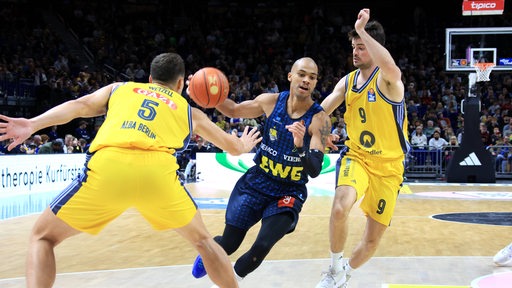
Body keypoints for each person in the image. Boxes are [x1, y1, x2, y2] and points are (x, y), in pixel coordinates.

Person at [0, 52, 263, 288]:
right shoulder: (190, 111)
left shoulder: (120, 88)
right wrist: (244, 143)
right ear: (181, 84)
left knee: (42, 237)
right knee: (204, 241)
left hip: (110, 166)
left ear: (149, 78)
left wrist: (33, 123)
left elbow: (78, 107)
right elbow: (233, 147)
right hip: (157, 174)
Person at [190, 57, 331, 286]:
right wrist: (207, 96)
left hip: (289, 192)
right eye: (302, 74)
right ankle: (212, 251)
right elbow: (233, 109)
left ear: (315, 83)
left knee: (261, 247)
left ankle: (231, 281)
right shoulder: (270, 101)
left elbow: (314, 169)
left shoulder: (320, 120)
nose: (306, 80)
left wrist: (299, 146)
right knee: (229, 243)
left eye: (312, 77)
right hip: (257, 182)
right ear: (290, 76)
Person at [315, 9, 410, 288]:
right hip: (357, 156)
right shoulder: (347, 81)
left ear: (374, 47)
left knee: (370, 242)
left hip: (390, 168)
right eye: (354, 47)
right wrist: (319, 134)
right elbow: (322, 111)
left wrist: (364, 31)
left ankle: (344, 272)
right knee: (339, 209)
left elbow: (394, 70)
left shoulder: (388, 82)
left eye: (361, 47)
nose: (355, 52)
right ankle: (333, 269)